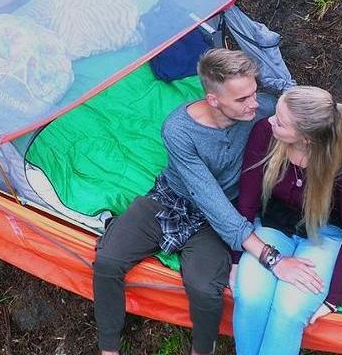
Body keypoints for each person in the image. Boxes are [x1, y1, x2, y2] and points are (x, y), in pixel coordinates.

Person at [95, 48, 305, 355]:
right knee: (108, 260)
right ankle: (109, 349)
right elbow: (206, 195)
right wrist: (272, 258)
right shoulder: (178, 130)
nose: (255, 104)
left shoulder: (262, 112)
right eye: (243, 99)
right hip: (172, 200)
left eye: (254, 93)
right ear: (213, 100)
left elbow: (312, 123)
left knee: (205, 289)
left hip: (219, 217)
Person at [229, 86, 342, 355]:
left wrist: (333, 300)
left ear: (307, 138)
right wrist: (236, 259)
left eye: (280, 121)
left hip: (323, 233)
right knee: (250, 296)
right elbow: (247, 202)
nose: (270, 120)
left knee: (289, 309)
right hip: (274, 226)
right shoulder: (265, 134)